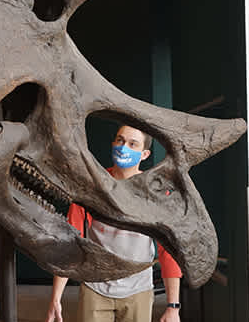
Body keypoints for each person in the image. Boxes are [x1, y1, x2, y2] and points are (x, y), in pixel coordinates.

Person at [44, 125, 182, 322]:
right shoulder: (91, 189)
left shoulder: (157, 195)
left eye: (132, 144)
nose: (123, 147)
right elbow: (70, 242)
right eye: (120, 140)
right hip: (95, 289)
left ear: (144, 154)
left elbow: (168, 253)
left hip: (138, 292)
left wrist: (173, 306)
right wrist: (55, 298)